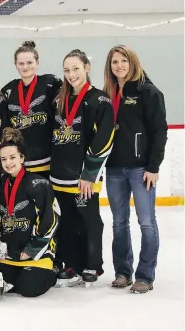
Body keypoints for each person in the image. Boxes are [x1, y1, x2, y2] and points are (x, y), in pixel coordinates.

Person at [102, 45, 167, 294]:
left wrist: (153, 166)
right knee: (119, 222)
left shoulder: (148, 92)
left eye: (123, 61)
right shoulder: (109, 93)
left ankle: (145, 275)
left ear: (133, 62)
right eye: (114, 62)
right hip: (115, 169)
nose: (119, 66)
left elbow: (159, 131)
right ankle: (122, 272)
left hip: (141, 169)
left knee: (146, 222)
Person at [50, 49, 115, 286]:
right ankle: (70, 263)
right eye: (67, 70)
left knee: (88, 219)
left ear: (87, 67)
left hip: (83, 177)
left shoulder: (100, 100)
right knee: (67, 220)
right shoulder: (58, 100)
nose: (71, 74)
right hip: (60, 176)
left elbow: (104, 140)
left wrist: (89, 174)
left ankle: (92, 265)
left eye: (76, 68)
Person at [0, 127, 59, 298]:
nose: (8, 163)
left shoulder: (38, 184)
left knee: (28, 289)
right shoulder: (0, 184)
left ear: (22, 158)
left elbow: (50, 219)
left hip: (35, 251)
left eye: (12, 157)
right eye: (3, 159)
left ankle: (53, 270)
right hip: (10, 253)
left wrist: (33, 249)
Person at [1, 41, 63, 178]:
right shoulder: (8, 90)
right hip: (19, 164)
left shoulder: (50, 83)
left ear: (37, 62)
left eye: (29, 62)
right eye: (21, 63)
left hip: (47, 162)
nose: (25, 67)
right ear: (15, 65)